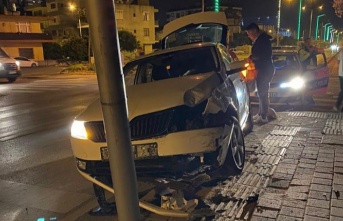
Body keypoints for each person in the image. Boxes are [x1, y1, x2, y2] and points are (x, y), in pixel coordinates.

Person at [245, 22, 275, 124]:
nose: (248, 36)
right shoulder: (261, 39)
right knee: (261, 93)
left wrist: (252, 58)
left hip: (264, 70)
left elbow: (264, 55)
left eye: (249, 33)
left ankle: (263, 116)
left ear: (254, 31)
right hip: (263, 69)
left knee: (263, 93)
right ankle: (260, 113)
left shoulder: (263, 40)